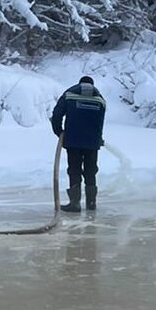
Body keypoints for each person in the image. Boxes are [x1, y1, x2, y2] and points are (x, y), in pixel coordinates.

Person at [50, 75, 106, 212]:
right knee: (90, 170)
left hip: (73, 140)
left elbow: (57, 114)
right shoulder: (100, 99)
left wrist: (60, 132)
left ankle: (74, 203)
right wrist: (98, 138)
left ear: (80, 83)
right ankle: (91, 203)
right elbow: (100, 121)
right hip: (92, 142)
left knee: (74, 169)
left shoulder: (69, 94)